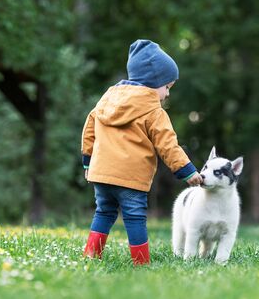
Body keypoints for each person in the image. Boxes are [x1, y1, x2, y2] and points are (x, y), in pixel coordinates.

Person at [81, 39, 203, 265]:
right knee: (135, 217)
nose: (167, 94)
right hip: (130, 177)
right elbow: (169, 145)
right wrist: (187, 172)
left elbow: (89, 129)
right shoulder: (153, 111)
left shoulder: (106, 99)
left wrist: (88, 162)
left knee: (104, 212)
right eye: (167, 87)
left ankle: (91, 255)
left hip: (101, 173)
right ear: (153, 81)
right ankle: (140, 262)